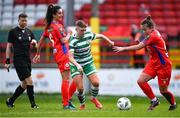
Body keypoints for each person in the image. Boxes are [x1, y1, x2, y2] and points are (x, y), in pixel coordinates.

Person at [113, 16, 177, 111]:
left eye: (145, 30)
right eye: (142, 30)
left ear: (151, 28)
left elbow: (139, 47)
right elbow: (147, 45)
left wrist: (123, 48)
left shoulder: (153, 36)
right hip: (153, 62)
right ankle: (154, 100)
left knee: (163, 91)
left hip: (163, 65)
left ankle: (173, 104)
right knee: (141, 81)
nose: (143, 32)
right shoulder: (150, 34)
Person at [33, 4, 76, 109]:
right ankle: (66, 103)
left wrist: (38, 53)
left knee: (70, 77)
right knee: (66, 79)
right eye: (59, 13)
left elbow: (41, 40)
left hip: (58, 55)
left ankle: (67, 101)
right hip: (63, 54)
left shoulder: (49, 27)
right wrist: (70, 33)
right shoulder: (58, 26)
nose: (62, 15)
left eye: (62, 13)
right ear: (54, 15)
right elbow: (64, 40)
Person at [69, 20, 114, 110]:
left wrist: (110, 41)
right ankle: (82, 104)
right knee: (81, 89)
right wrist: (78, 65)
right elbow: (70, 57)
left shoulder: (88, 34)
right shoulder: (72, 40)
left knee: (96, 83)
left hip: (88, 62)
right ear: (76, 29)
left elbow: (100, 36)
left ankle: (93, 98)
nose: (84, 32)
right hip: (75, 64)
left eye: (85, 30)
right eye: (82, 30)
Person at [4, 13, 39, 108]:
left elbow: (35, 45)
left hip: (27, 59)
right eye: (22, 20)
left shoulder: (29, 32)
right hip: (18, 60)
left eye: (25, 20)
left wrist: (35, 43)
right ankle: (33, 105)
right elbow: (8, 46)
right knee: (30, 82)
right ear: (18, 20)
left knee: (24, 84)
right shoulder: (13, 31)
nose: (24, 22)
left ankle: (10, 101)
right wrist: (7, 61)